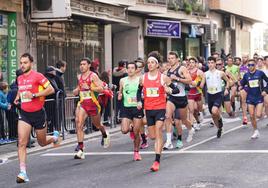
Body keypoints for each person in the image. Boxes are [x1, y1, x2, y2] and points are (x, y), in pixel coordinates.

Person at [15, 53, 61, 183]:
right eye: (21, 63)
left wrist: (34, 94)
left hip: (38, 114)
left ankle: (54, 137)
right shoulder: (20, 78)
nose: (22, 65)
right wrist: (18, 97)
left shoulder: (38, 76)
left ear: (31, 63)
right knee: (22, 142)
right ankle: (23, 172)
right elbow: (21, 90)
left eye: (25, 63)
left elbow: (51, 89)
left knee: (41, 142)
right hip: (24, 114)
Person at [136, 51, 177, 172]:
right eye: (148, 62)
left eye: (152, 62)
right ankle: (159, 144)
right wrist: (139, 101)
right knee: (153, 136)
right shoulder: (143, 78)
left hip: (160, 108)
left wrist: (168, 90)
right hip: (149, 110)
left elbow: (176, 90)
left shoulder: (163, 77)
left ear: (157, 65)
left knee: (158, 131)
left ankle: (156, 161)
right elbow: (139, 91)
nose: (150, 64)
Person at [73, 57, 110, 159]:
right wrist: (76, 90)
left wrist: (90, 87)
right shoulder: (79, 76)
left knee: (97, 125)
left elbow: (101, 88)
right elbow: (79, 88)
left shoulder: (93, 76)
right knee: (79, 123)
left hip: (93, 104)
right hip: (83, 103)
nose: (82, 66)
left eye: (84, 64)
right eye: (81, 64)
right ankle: (81, 149)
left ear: (89, 65)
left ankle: (104, 134)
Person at [163, 51, 194, 150]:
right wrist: (165, 88)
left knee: (181, 121)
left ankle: (188, 131)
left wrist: (177, 78)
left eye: (172, 58)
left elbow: (189, 80)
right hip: (172, 97)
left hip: (181, 98)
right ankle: (168, 142)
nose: (170, 60)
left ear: (177, 59)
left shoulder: (182, 68)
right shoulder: (167, 71)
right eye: (169, 58)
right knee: (168, 116)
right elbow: (164, 82)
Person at [118, 62, 143, 161]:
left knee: (136, 133)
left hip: (137, 108)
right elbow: (120, 92)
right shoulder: (122, 80)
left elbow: (143, 92)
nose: (130, 70)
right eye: (128, 68)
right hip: (126, 108)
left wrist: (141, 101)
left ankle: (136, 152)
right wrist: (119, 95)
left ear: (136, 69)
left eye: (132, 68)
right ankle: (131, 127)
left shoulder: (140, 79)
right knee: (124, 130)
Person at [200, 56, 230, 138]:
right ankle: (219, 128)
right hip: (210, 96)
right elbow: (201, 85)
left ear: (215, 63)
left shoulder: (220, 73)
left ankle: (220, 119)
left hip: (218, 94)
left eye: (212, 63)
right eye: (208, 63)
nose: (210, 64)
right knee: (213, 115)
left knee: (214, 111)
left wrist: (227, 89)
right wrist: (197, 83)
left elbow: (228, 81)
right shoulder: (205, 74)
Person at [239, 59, 268, 139]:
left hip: (259, 96)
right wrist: (240, 86)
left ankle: (261, 114)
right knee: (251, 115)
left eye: (252, 65)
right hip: (250, 97)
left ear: (255, 65)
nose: (250, 67)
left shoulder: (260, 73)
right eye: (249, 65)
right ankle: (255, 131)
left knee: (258, 115)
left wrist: (265, 90)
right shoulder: (246, 75)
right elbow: (242, 83)